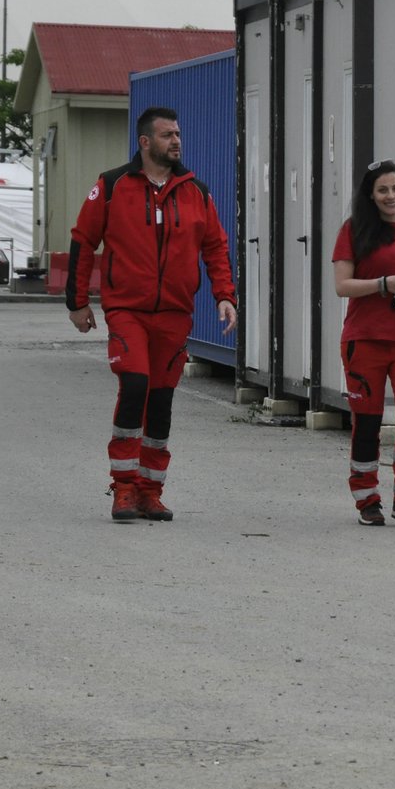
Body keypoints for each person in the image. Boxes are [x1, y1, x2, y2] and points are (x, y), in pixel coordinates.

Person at [66, 106, 237, 522]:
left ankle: (149, 491)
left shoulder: (196, 191)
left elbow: (214, 247)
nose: (175, 141)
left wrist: (224, 295)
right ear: (145, 142)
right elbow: (83, 241)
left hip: (175, 315)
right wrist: (77, 302)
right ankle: (123, 488)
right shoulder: (111, 186)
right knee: (135, 383)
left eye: (178, 134)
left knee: (161, 400)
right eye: (166, 135)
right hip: (128, 310)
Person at [331, 158, 395, 527]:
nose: (391, 196)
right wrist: (381, 284)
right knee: (368, 422)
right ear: (370, 196)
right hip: (365, 341)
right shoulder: (354, 230)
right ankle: (366, 500)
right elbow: (342, 286)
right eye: (383, 190)